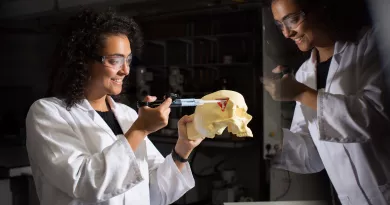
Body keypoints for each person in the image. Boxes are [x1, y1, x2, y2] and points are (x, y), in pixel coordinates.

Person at [25, 9, 204, 205]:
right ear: (83, 61)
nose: (126, 70)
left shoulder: (126, 114)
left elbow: (156, 194)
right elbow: (86, 183)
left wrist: (183, 149)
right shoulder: (47, 113)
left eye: (128, 60)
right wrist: (140, 129)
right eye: (115, 60)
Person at [261, 0, 390, 204]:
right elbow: (311, 156)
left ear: (320, 8)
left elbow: (373, 118)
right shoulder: (305, 73)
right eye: (279, 25)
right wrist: (261, 134)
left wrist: (302, 94)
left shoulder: (370, 44)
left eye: (292, 20)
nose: (286, 33)